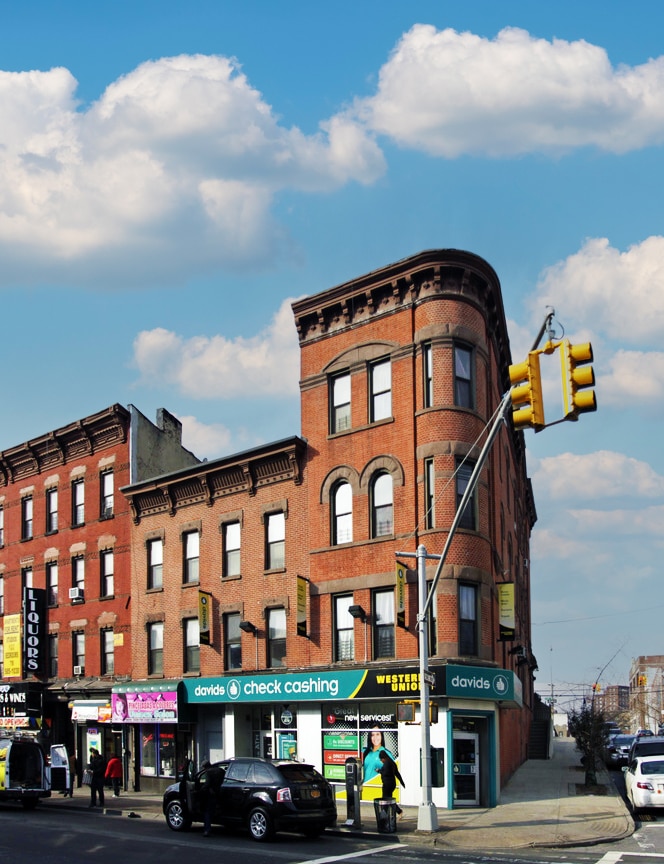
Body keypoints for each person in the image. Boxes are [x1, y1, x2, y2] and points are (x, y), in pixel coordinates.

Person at [199, 759, 224, 837]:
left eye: (203, 767)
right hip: (220, 793)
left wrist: (201, 789)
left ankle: (207, 830)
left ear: (205, 767)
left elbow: (207, 784)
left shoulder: (208, 772)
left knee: (207, 812)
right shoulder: (220, 770)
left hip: (211, 795)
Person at [378, 749, 405, 815]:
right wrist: (402, 782)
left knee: (385, 800)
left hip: (387, 784)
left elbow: (386, 773)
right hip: (392, 784)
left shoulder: (387, 763)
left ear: (383, 758)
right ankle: (398, 811)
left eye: (381, 759)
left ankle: (384, 814)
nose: (381, 761)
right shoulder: (392, 762)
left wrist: (379, 771)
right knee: (388, 799)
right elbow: (397, 773)